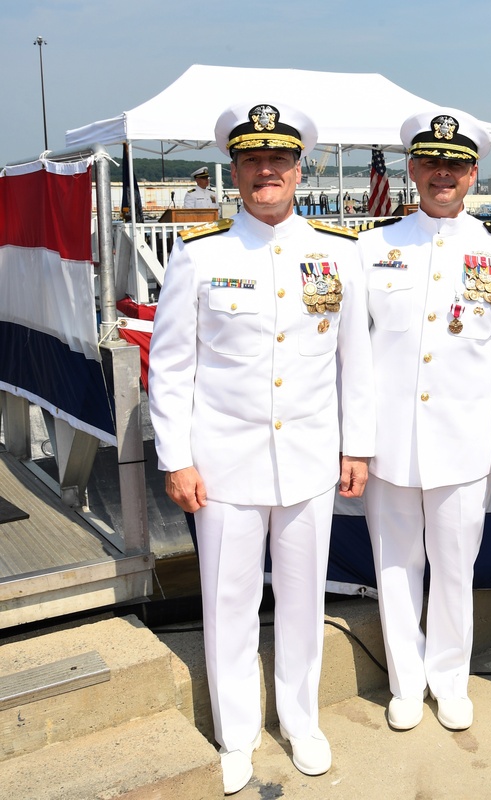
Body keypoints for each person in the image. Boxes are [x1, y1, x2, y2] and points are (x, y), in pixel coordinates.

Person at [148, 101, 375, 794]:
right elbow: (171, 364)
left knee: (304, 601)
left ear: (298, 169)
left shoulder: (338, 252)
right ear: (235, 171)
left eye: (278, 160)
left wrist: (356, 448)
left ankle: (302, 720)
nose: (266, 171)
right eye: (252, 161)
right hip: (223, 465)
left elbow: (354, 362)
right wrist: (175, 457)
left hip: (308, 460)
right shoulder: (201, 254)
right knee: (229, 603)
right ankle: (237, 733)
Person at [357, 107, 491, 733]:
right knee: (395, 566)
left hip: (464, 444)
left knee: (456, 568)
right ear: (412, 170)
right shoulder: (374, 248)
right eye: (431, 163)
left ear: (473, 174)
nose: (442, 175)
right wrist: (355, 443)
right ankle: (406, 682)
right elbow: (354, 355)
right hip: (389, 446)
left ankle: (450, 680)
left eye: (454, 165)